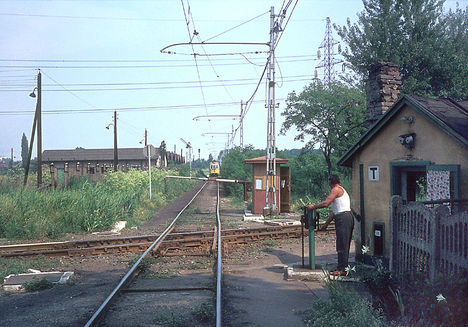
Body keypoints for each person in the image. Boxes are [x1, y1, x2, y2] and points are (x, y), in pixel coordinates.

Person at [308, 174, 354, 276]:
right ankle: (341, 267)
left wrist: (313, 207)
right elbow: (334, 212)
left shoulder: (336, 190)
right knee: (342, 243)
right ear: (339, 180)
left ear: (330, 182)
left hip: (343, 218)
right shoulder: (341, 190)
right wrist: (325, 225)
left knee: (342, 244)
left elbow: (326, 203)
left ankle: (343, 269)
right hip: (344, 217)